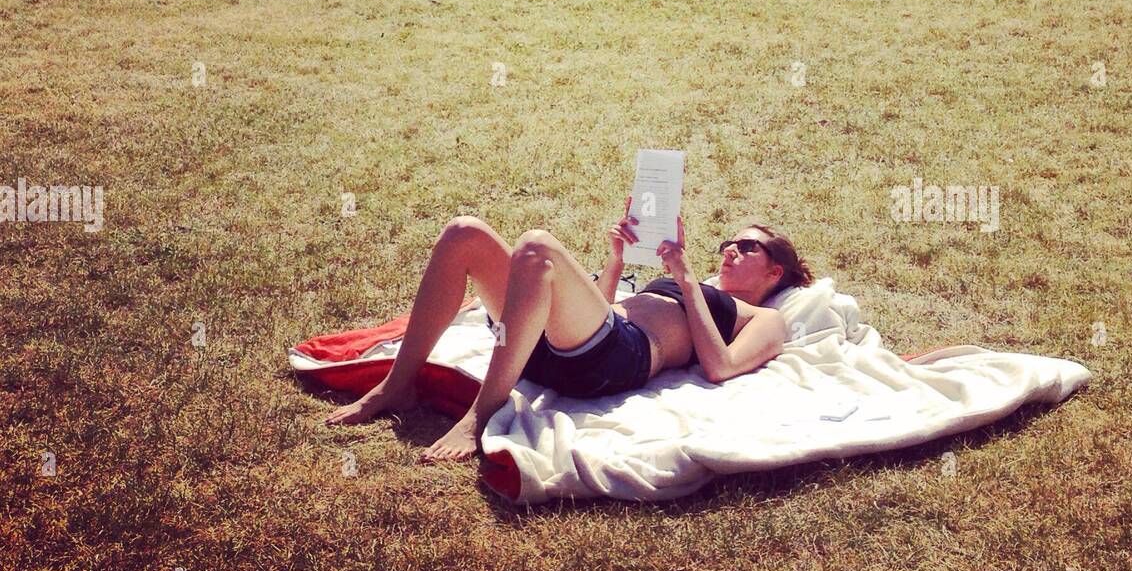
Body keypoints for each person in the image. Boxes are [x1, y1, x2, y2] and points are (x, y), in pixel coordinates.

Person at [325, 208, 811, 461]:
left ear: (776, 272)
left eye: (748, 247)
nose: (730, 250)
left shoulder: (767, 319)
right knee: (464, 232)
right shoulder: (690, 283)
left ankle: (483, 413)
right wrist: (616, 260)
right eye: (729, 242)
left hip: (616, 361)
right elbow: (604, 309)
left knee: (537, 246)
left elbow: (720, 366)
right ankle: (397, 384)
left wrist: (686, 280)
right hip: (558, 343)